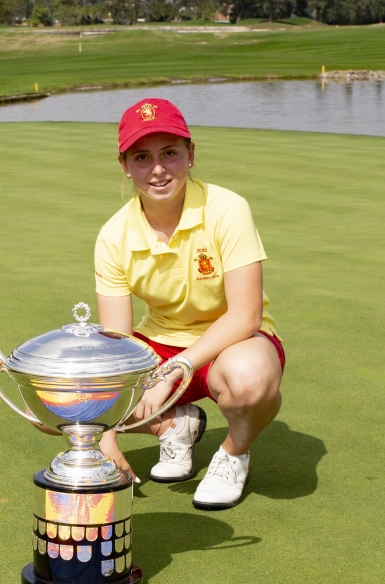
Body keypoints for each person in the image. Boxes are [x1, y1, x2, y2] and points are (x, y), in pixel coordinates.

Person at [94, 97, 285, 511]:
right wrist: (104, 439)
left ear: (191, 154)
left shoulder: (227, 209)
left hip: (234, 343)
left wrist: (175, 369)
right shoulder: (113, 236)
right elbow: (117, 345)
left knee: (249, 380)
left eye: (170, 153)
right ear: (124, 165)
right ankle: (174, 426)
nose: (158, 168)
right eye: (142, 157)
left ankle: (233, 454)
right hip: (158, 344)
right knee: (68, 399)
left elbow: (245, 315)